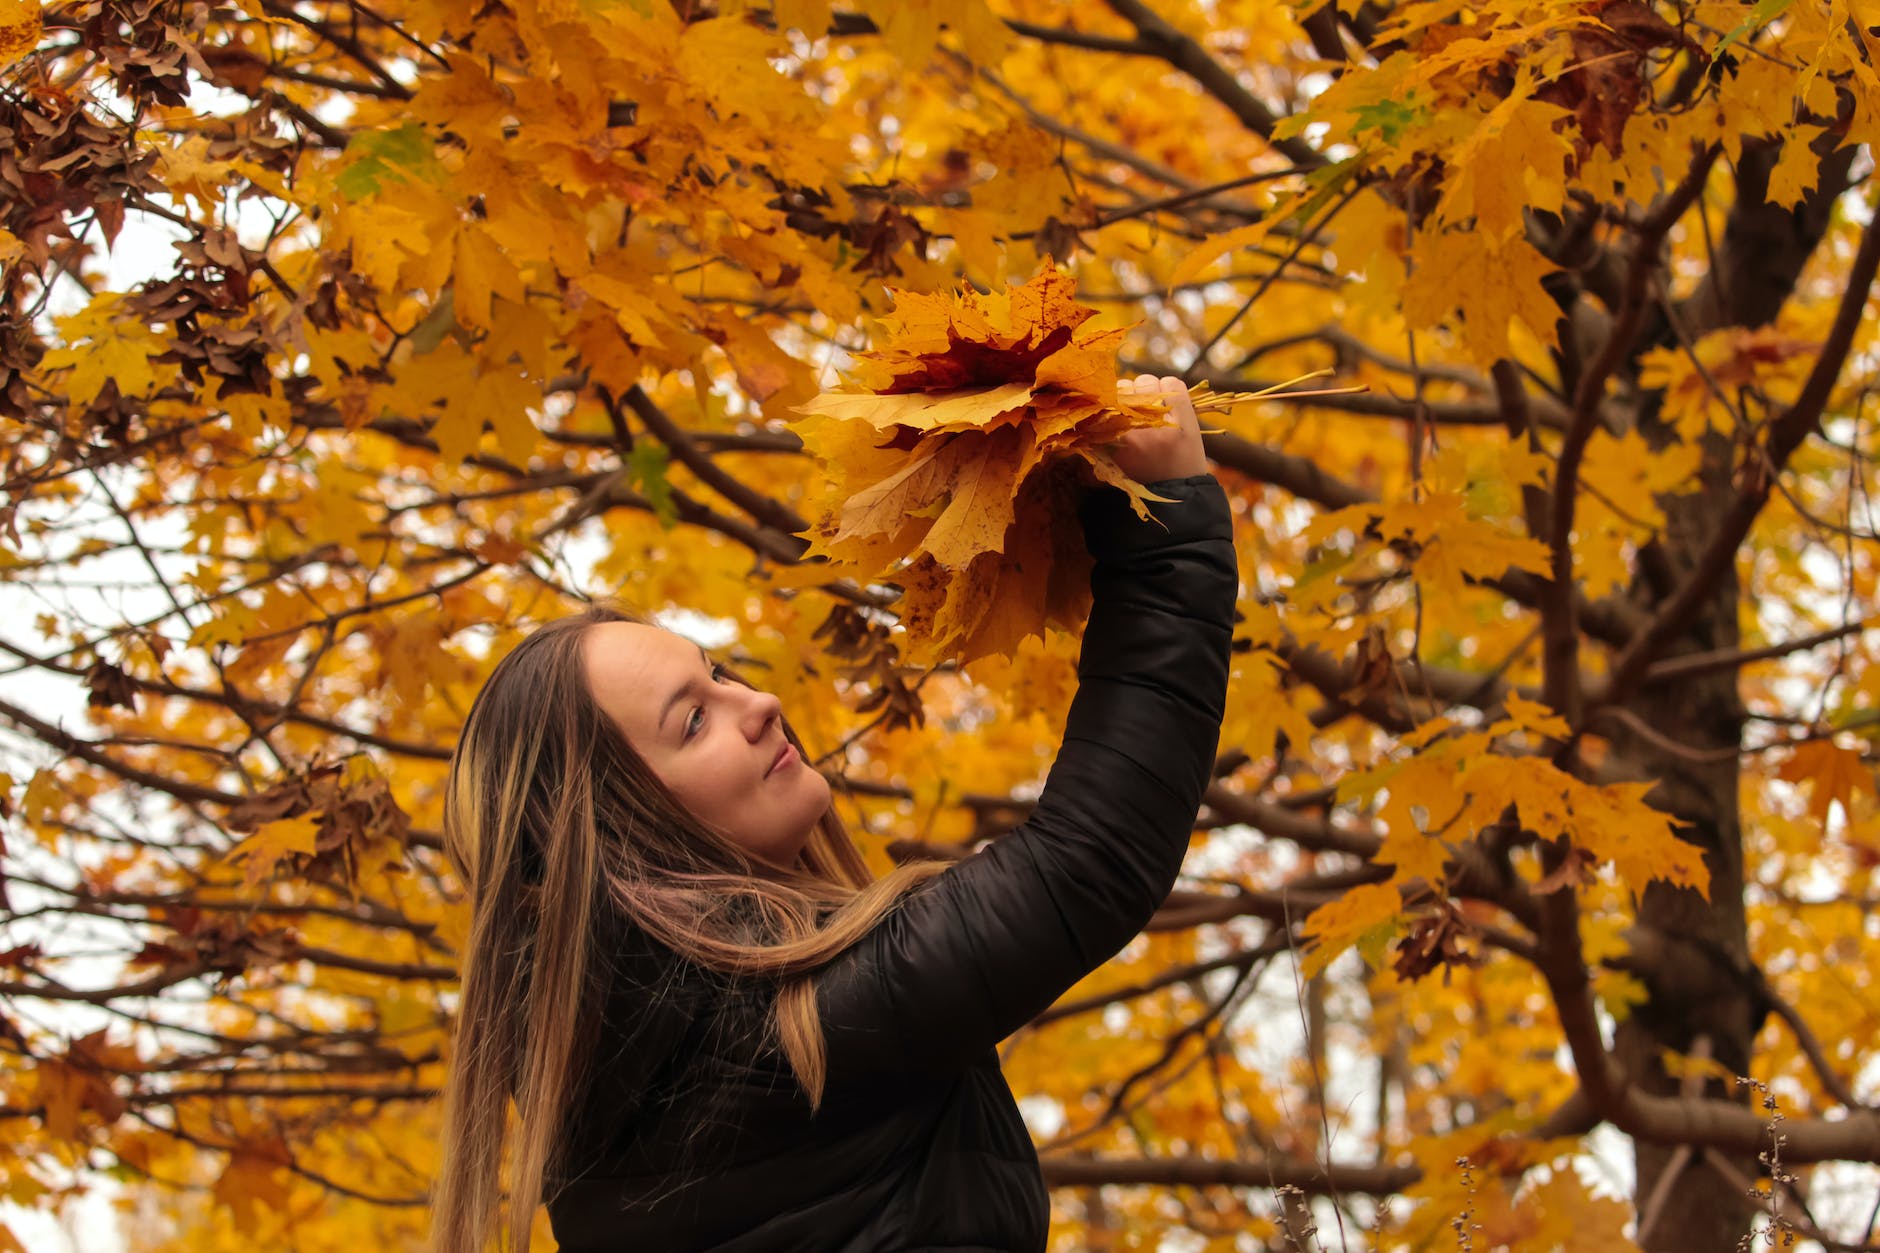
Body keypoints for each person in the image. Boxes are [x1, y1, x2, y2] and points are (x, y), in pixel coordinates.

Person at [431, 374, 1238, 1252]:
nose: (761, 702)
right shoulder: (785, 1041)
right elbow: (1089, 860)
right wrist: (1166, 529)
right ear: (622, 840)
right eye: (694, 719)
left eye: (720, 673)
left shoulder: (610, 1120)